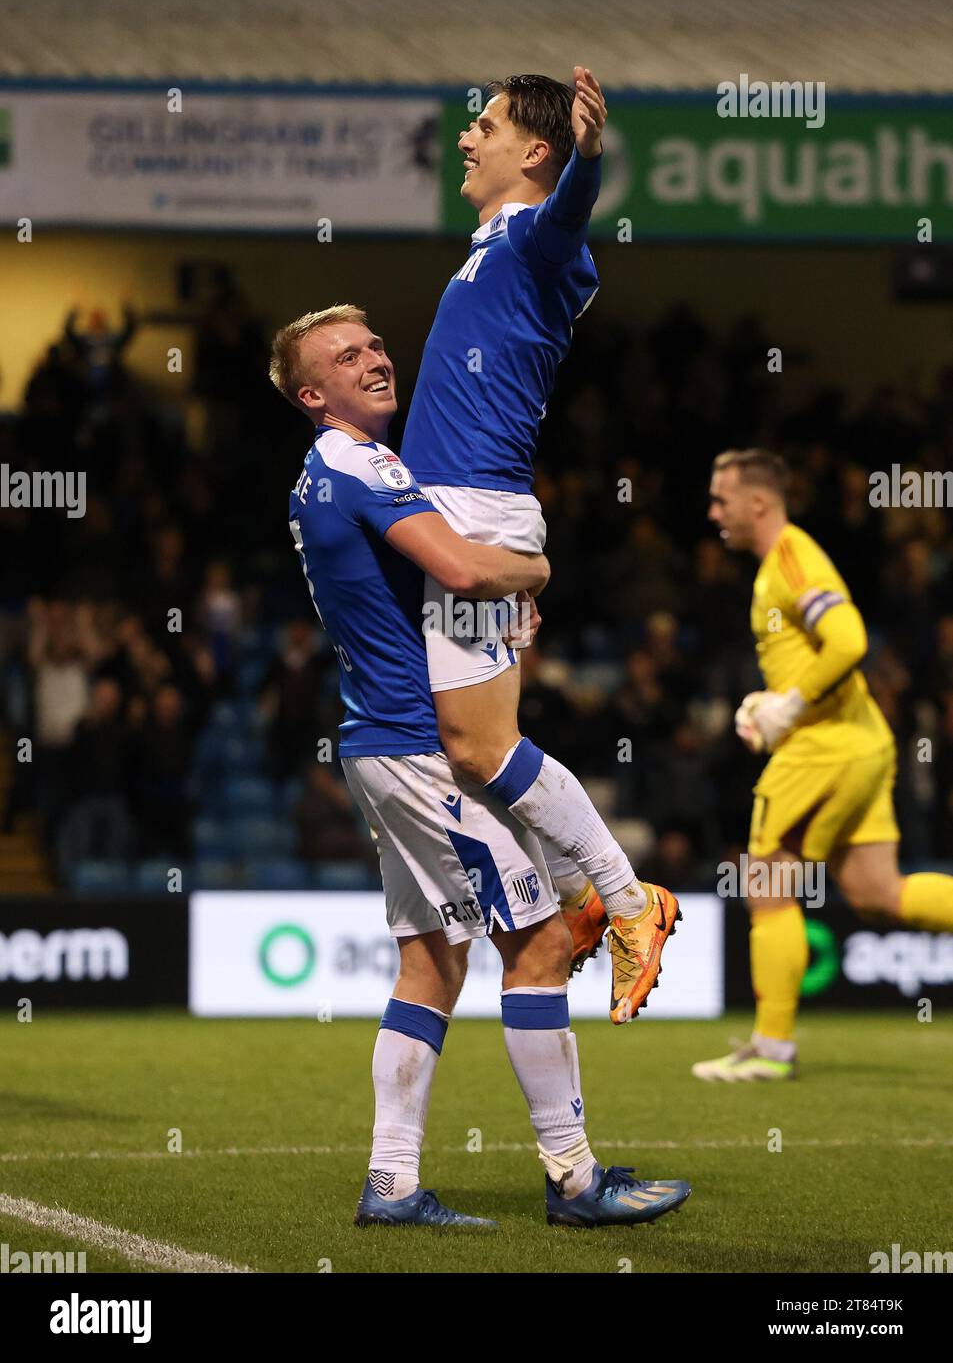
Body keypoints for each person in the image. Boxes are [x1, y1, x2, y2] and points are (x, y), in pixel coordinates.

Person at [270, 305, 691, 1226]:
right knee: (537, 946)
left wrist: (488, 609)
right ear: (313, 395)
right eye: (347, 357)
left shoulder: (319, 477)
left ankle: (389, 1187)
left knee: (428, 965)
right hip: (421, 752)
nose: (375, 359)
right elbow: (460, 571)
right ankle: (576, 1181)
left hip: (381, 744)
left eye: (376, 343)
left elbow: (432, 594)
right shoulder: (363, 463)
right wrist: (530, 575)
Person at [397, 69, 679, 1022]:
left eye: (484, 125)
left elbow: (570, 218)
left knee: (482, 744)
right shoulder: (492, 245)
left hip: (475, 520)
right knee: (465, 751)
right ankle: (577, 895)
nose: (464, 139)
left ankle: (630, 902)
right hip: (457, 518)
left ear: (536, 153)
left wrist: (591, 157)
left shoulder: (533, 233)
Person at [694, 448, 953, 1082]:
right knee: (878, 893)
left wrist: (791, 705)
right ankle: (771, 1042)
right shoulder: (781, 563)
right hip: (861, 741)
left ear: (759, 502)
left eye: (722, 500)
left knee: (766, 885)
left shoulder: (790, 557)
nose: (713, 512)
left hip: (825, 749)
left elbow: (850, 641)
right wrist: (775, 700)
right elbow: (818, 653)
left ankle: (773, 1047)